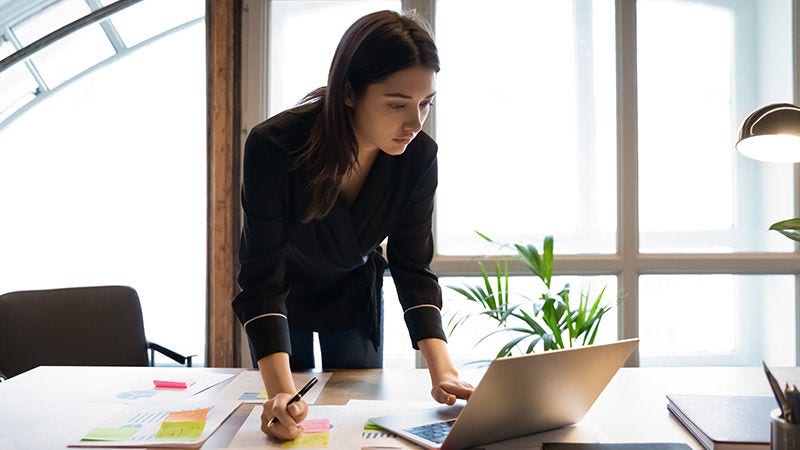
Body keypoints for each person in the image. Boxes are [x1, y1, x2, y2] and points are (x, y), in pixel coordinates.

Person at [231, 9, 474, 441]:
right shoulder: (274, 146)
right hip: (282, 293)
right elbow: (261, 277)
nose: (415, 123)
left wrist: (444, 372)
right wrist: (281, 400)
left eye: (426, 104)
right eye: (397, 104)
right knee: (290, 416)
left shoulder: (419, 158)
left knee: (355, 420)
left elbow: (412, 265)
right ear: (348, 93)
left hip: (353, 289)